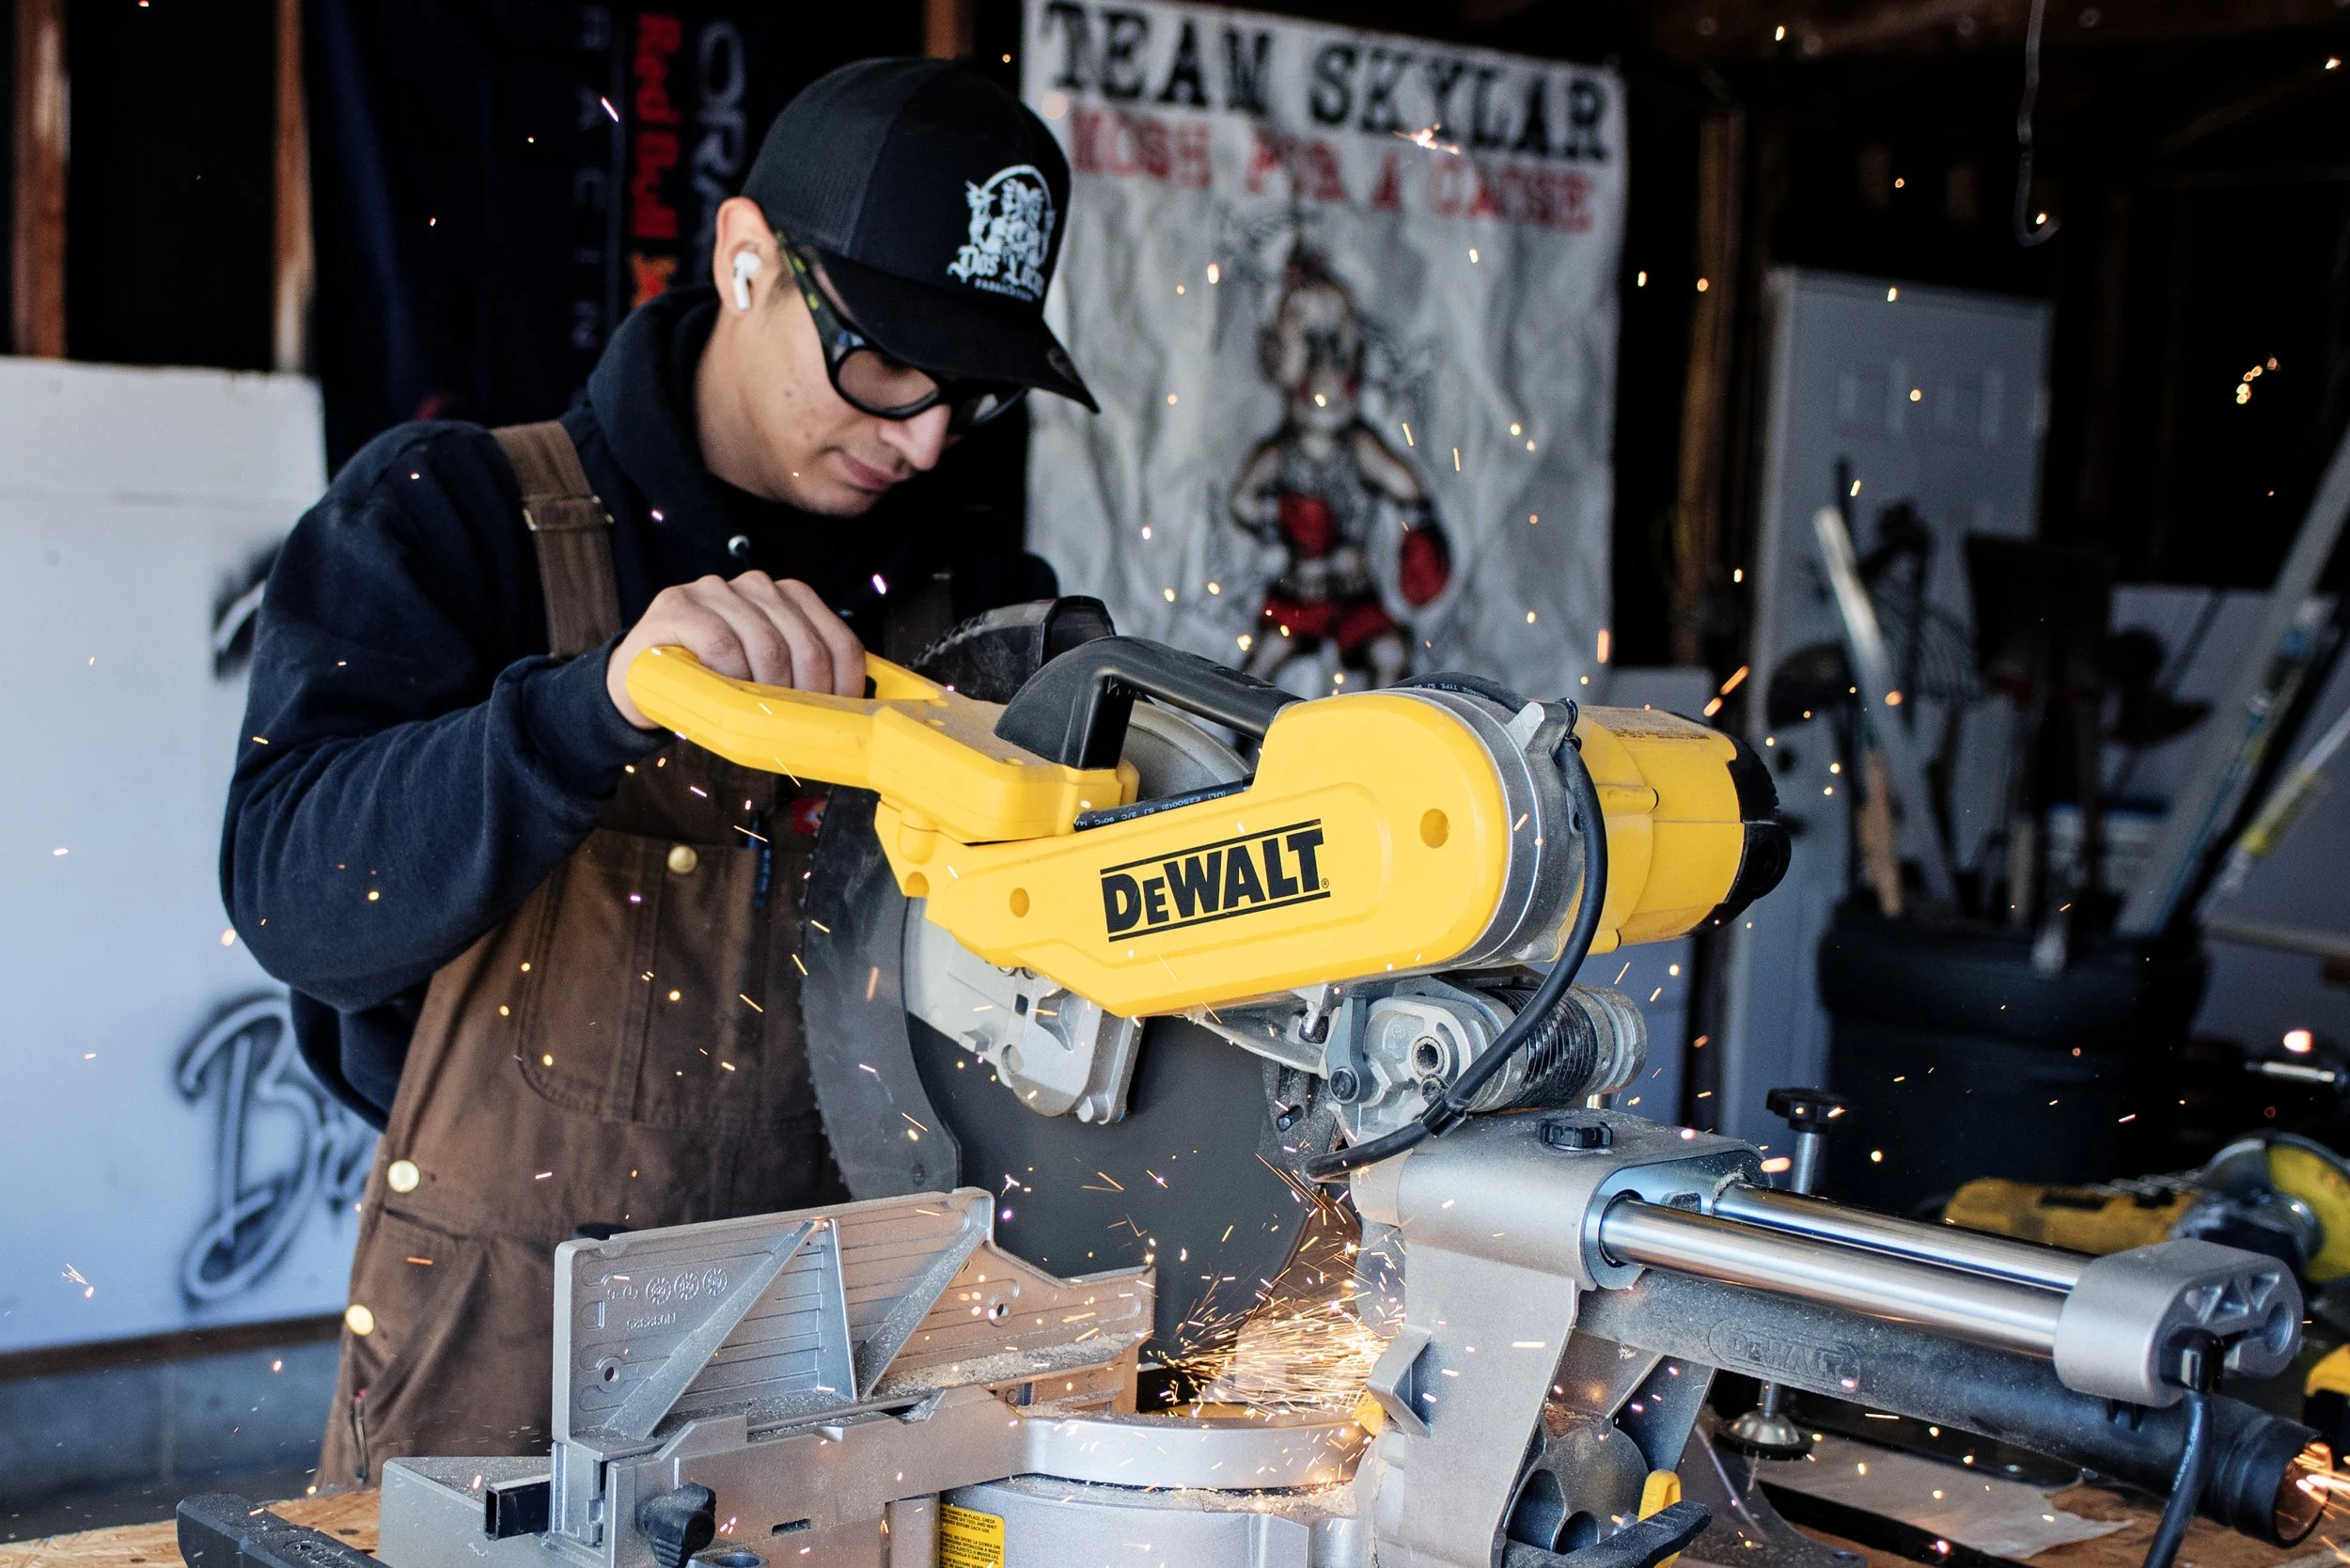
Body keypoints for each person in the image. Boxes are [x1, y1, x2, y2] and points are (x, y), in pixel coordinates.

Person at [219, 57, 1096, 1487]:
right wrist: (585, 711)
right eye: (883, 361)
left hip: (859, 1367)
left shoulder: (976, 601)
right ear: (745, 258)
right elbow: (291, 895)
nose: (925, 434)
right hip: (505, 1367)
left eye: (976, 391)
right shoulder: (454, 518)